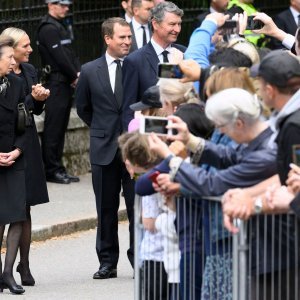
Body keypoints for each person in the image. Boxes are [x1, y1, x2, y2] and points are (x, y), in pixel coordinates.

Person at [75, 17, 135, 279]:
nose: (127, 42)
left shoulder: (137, 66)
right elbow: (83, 108)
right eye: (122, 37)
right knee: (106, 209)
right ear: (107, 38)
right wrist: (102, 130)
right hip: (104, 148)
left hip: (135, 150)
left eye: (129, 37)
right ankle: (107, 262)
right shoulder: (89, 70)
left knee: (137, 208)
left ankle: (140, 261)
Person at [1, 27, 50, 287]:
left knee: (24, 206)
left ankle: (24, 265)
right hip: (5, 145)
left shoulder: (28, 72)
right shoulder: (5, 75)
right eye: (25, 46)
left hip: (24, 143)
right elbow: (15, 109)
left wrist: (39, 100)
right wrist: (32, 99)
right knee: (7, 208)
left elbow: (29, 113)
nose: (31, 50)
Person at [36, 0, 81, 184]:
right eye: (62, 5)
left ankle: (58, 167)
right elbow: (60, 58)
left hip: (63, 82)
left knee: (60, 127)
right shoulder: (48, 28)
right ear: (51, 5)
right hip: (55, 82)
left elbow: (69, 53)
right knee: (54, 128)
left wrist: (77, 73)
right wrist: (74, 76)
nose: (66, 8)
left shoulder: (59, 26)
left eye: (67, 5)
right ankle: (52, 170)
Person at [122, 1, 185, 129]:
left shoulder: (185, 53)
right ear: (155, 24)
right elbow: (128, 110)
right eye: (172, 24)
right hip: (152, 135)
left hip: (183, 133)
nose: (177, 29)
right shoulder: (135, 61)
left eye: (179, 24)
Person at [0, 35, 27, 295]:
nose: (12, 61)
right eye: (8, 57)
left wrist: (18, 150)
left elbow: (25, 121)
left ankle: (8, 274)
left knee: (17, 215)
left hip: (14, 157)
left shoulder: (17, 83)